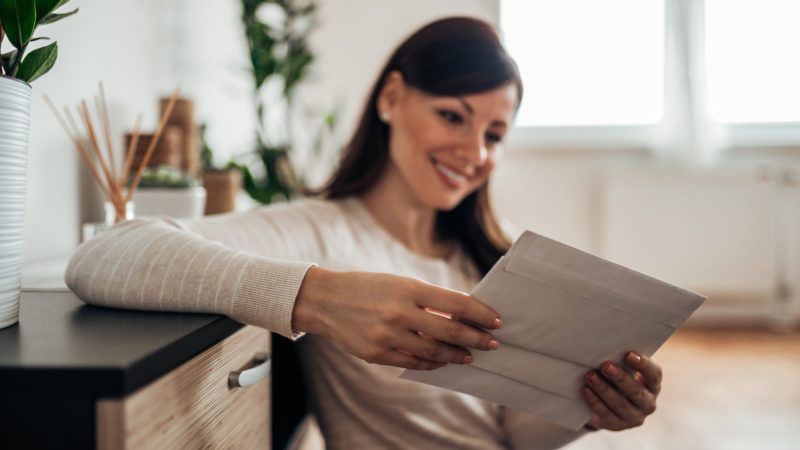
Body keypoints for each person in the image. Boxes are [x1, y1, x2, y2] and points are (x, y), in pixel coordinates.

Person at [66, 16, 662, 449]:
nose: (474, 151)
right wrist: (318, 298)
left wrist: (589, 409)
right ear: (392, 97)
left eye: (495, 135)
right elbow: (106, 253)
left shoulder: (485, 260)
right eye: (452, 116)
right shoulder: (321, 233)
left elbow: (508, 434)